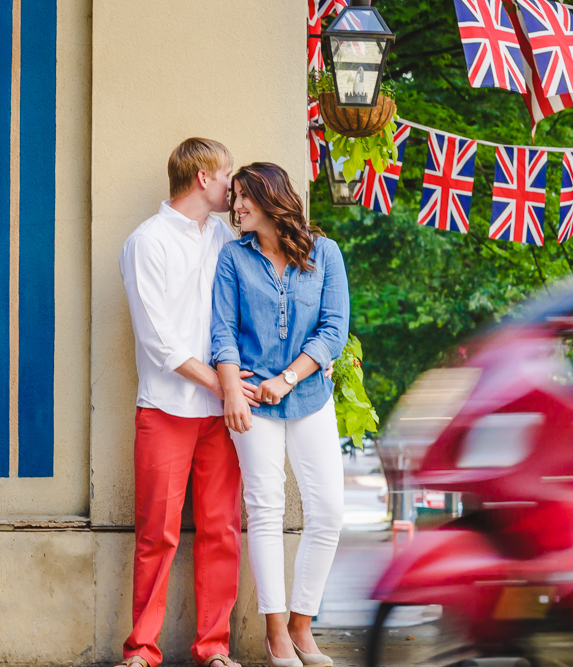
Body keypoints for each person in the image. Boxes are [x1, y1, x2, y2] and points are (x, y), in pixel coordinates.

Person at [118, 138, 259, 667]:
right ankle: (141, 650)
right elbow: (160, 341)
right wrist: (224, 385)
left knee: (222, 530)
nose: (233, 186)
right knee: (157, 533)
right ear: (202, 178)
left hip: (222, 414)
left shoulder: (226, 237)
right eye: (227, 175)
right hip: (165, 409)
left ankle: (214, 648)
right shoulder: (146, 242)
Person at [211, 162, 349, 667]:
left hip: (309, 396)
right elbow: (222, 331)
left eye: (246, 197)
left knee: (329, 510)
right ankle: (275, 634)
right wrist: (232, 388)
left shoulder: (325, 252)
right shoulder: (233, 257)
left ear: (273, 197)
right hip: (251, 400)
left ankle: (301, 624)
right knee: (265, 509)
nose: (238, 206)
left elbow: (334, 329)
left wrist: (287, 378)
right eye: (235, 198)